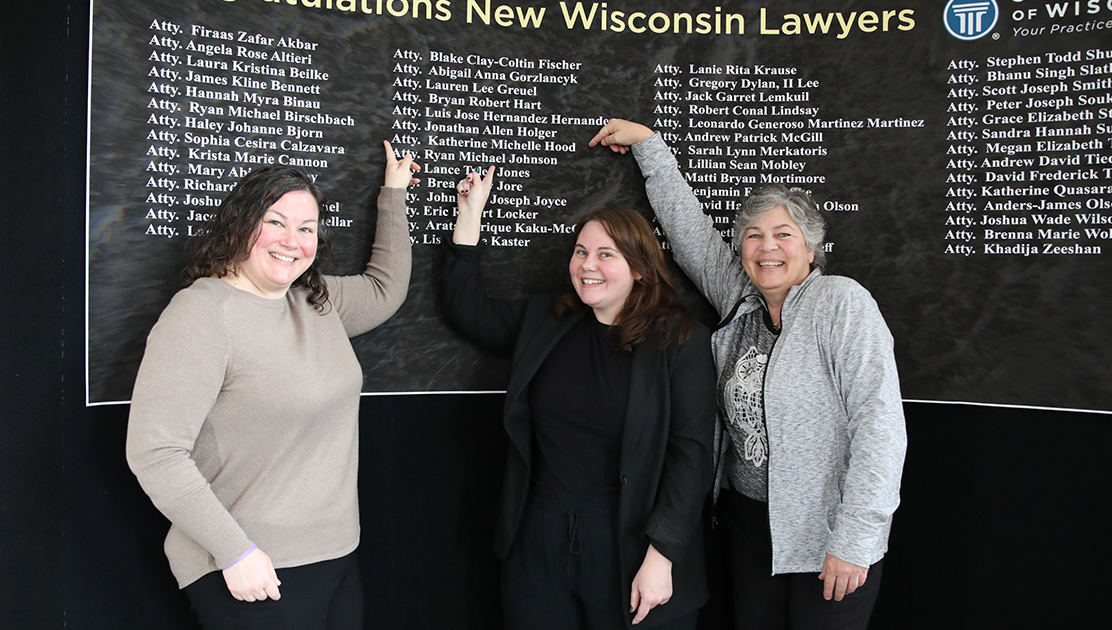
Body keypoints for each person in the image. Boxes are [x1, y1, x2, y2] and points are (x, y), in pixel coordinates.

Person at [590, 120, 907, 630]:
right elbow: (689, 231)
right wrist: (650, 148)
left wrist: (855, 539)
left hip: (826, 536)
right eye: (753, 237)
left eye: (784, 234)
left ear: (810, 248)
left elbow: (880, 426)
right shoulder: (742, 300)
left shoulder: (840, 302)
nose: (767, 247)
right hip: (748, 527)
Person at [126, 142, 418, 629]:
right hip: (249, 568)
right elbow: (155, 453)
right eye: (276, 222)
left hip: (336, 554)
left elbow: (385, 288)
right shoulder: (201, 316)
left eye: (306, 228)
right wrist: (234, 552)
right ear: (241, 224)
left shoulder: (314, 300)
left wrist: (393, 195)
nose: (292, 240)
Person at [441, 166, 716, 629]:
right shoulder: (549, 319)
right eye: (581, 251)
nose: (587, 265)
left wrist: (662, 554)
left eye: (605, 254)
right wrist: (468, 220)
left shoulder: (681, 341)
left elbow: (690, 455)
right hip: (538, 533)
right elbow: (468, 310)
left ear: (640, 269)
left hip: (634, 538)